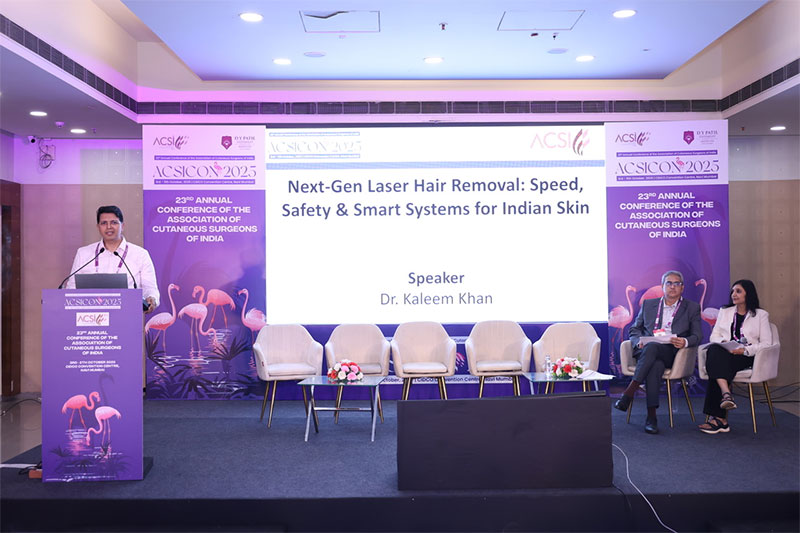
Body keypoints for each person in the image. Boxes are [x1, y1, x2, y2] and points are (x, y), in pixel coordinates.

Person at [614, 270, 702, 434]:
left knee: (653, 350)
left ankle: (629, 393)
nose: (673, 287)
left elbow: (697, 335)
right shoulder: (649, 305)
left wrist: (685, 341)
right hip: (647, 350)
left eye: (677, 283)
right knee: (654, 362)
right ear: (662, 286)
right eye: (669, 283)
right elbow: (634, 330)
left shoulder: (691, 307)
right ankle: (651, 417)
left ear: (682, 288)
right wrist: (638, 341)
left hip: (672, 353)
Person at [698, 279, 771, 434]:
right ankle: (726, 396)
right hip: (726, 352)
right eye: (732, 291)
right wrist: (724, 343)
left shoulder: (761, 315)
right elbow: (714, 336)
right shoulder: (725, 311)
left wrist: (744, 350)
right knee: (714, 350)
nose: (734, 294)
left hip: (746, 355)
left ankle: (720, 418)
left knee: (716, 365)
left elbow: (766, 343)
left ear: (748, 293)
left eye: (738, 291)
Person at [66, 205, 159, 312]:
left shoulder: (140, 254)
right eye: (104, 223)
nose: (109, 227)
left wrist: (152, 299)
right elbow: (71, 288)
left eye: (114, 222)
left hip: (127, 314)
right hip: (90, 316)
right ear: (98, 227)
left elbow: (150, 288)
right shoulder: (83, 253)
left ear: (122, 226)